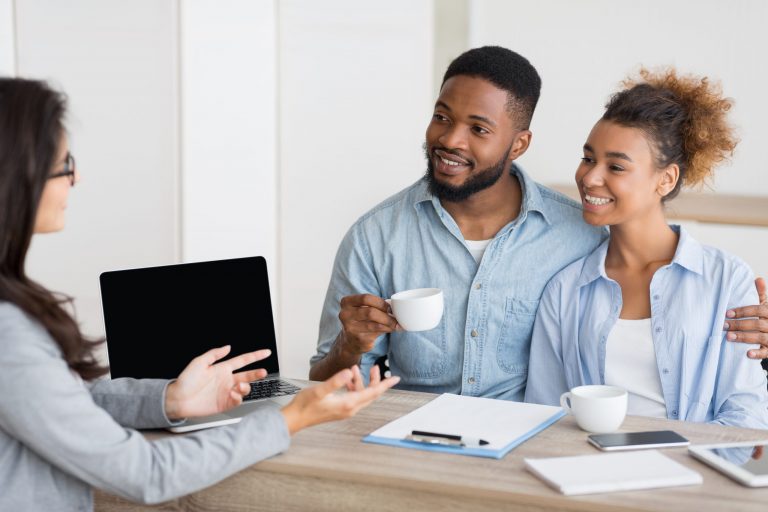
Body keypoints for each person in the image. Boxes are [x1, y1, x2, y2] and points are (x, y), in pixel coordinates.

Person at [0, 78, 399, 511]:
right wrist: (290, 418)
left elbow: (60, 400)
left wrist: (170, 398)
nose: (76, 177)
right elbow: (145, 473)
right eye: (64, 163)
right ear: (16, 176)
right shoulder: (9, 335)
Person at [308, 46, 606, 399]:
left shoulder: (578, 238)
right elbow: (321, 388)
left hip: (528, 440)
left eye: (478, 129)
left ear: (518, 145)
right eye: (442, 117)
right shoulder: (374, 236)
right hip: (413, 439)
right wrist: (348, 346)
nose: (449, 140)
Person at [524, 69, 768, 428]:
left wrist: (670, 463)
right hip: (585, 473)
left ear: (665, 179)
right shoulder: (565, 290)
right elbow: (544, 414)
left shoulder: (727, 280)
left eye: (616, 166)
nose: (590, 177)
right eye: (588, 158)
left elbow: (746, 417)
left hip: (692, 475)